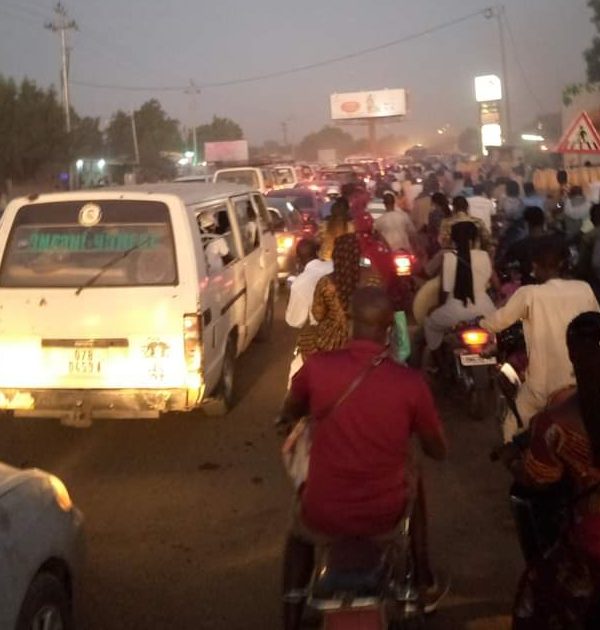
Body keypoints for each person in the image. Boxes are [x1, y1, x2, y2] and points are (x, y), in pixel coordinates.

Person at [280, 287, 448, 630]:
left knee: (298, 535)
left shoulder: (317, 367)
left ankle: (292, 614)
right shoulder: (410, 383)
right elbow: (437, 449)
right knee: (414, 486)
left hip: (323, 512)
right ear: (391, 327)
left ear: (349, 320)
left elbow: (291, 410)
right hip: (384, 515)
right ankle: (420, 584)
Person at [503, 312, 600, 628]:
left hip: (592, 539)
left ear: (571, 352)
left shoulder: (557, 421)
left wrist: (514, 464)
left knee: (537, 589)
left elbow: (538, 480)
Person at [481, 236, 600, 442]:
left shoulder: (529, 294)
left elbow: (497, 323)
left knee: (512, 423)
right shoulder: (584, 289)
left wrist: (481, 322)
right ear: (565, 263)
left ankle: (519, 465)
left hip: (544, 389)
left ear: (534, 266)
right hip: (583, 383)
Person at [424, 221, 496, 356]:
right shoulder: (485, 256)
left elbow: (444, 292)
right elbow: (495, 285)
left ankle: (435, 356)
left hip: (454, 311)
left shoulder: (448, 257)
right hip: (486, 310)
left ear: (453, 239)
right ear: (475, 239)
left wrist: (438, 307)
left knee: (430, 324)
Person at [307, 233, 361, 357]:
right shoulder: (370, 280)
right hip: (361, 339)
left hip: (329, 342)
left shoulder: (326, 283)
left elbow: (318, 315)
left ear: (336, 255)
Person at [285, 239, 333, 375]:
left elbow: (295, 321)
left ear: (298, 259)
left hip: (320, 340)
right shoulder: (333, 267)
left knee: (295, 374)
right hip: (346, 336)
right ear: (318, 252)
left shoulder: (299, 284)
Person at [499, 206, 548, 286]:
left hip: (528, 287)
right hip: (553, 288)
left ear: (526, 223)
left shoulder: (519, 246)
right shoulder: (555, 242)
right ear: (544, 221)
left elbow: (503, 265)